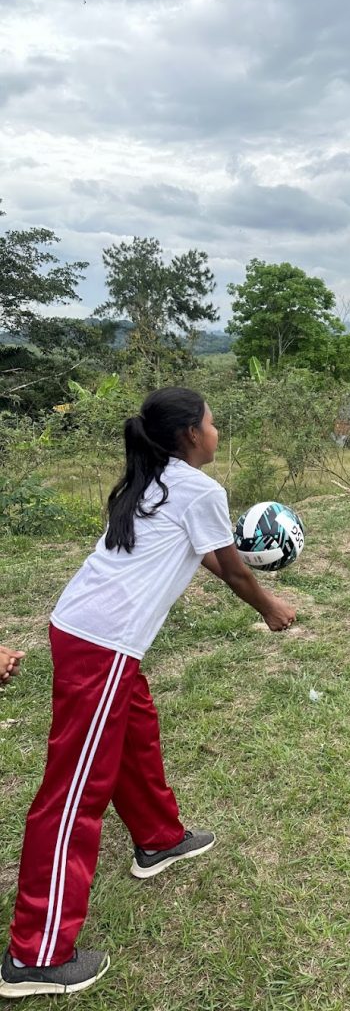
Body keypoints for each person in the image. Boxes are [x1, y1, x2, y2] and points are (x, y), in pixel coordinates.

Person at [1, 387, 296, 998]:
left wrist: (253, 580)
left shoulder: (160, 475)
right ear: (191, 434)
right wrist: (269, 606)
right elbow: (234, 568)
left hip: (91, 633)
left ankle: (159, 840)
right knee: (73, 788)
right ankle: (35, 954)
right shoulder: (198, 488)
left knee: (136, 735)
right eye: (214, 424)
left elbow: (214, 555)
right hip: (101, 642)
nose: (218, 433)